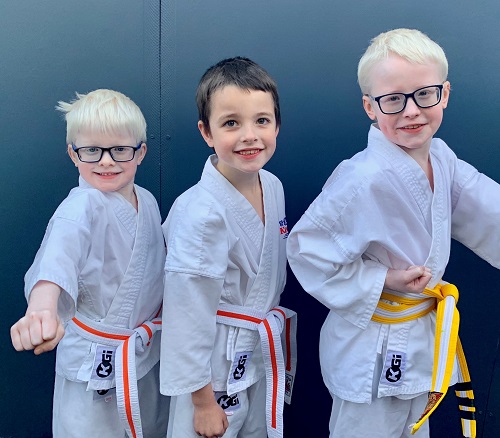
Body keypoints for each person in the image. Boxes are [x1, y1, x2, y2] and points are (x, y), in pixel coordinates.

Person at [287, 28, 500, 438]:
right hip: (370, 349)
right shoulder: (361, 178)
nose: (412, 111)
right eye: (393, 100)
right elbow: (306, 249)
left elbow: (485, 206)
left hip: (418, 338)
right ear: (370, 106)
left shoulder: (442, 159)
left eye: (425, 94)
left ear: (446, 93)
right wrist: (383, 278)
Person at [10, 89, 170, 438]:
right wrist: (43, 308)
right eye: (92, 150)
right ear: (73, 154)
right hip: (93, 365)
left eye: (120, 150)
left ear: (140, 152)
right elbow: (58, 257)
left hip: (142, 357)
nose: (106, 161)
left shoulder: (148, 201)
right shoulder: (79, 207)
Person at [160, 57, 296, 438]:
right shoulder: (200, 213)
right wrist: (201, 402)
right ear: (207, 132)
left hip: (254, 354)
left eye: (262, 121)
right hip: (211, 366)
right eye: (231, 123)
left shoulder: (272, 185)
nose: (249, 135)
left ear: (277, 124)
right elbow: (185, 315)